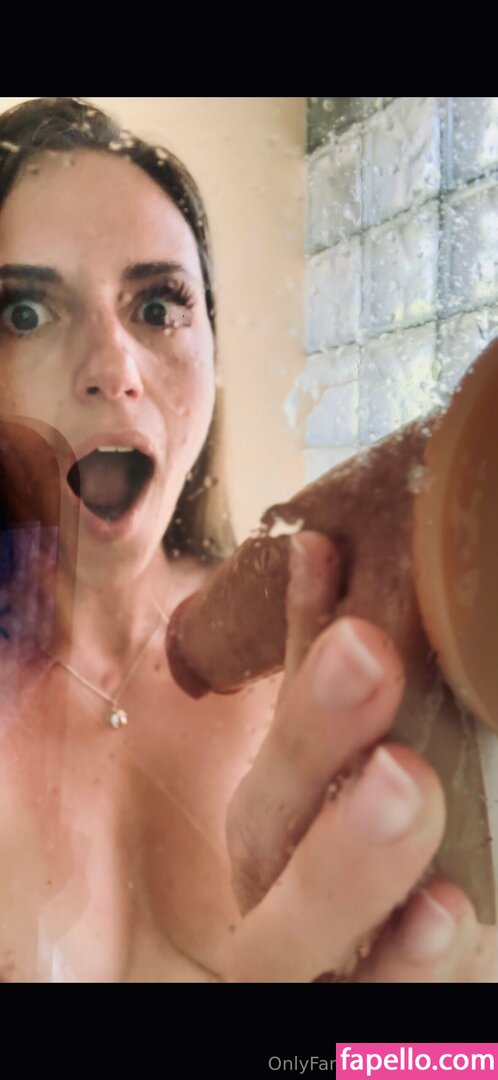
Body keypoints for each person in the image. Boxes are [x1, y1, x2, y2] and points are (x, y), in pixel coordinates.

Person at [0, 96, 493, 983]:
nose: (113, 368)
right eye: (24, 314)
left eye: (159, 306)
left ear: (215, 358)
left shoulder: (320, 651)